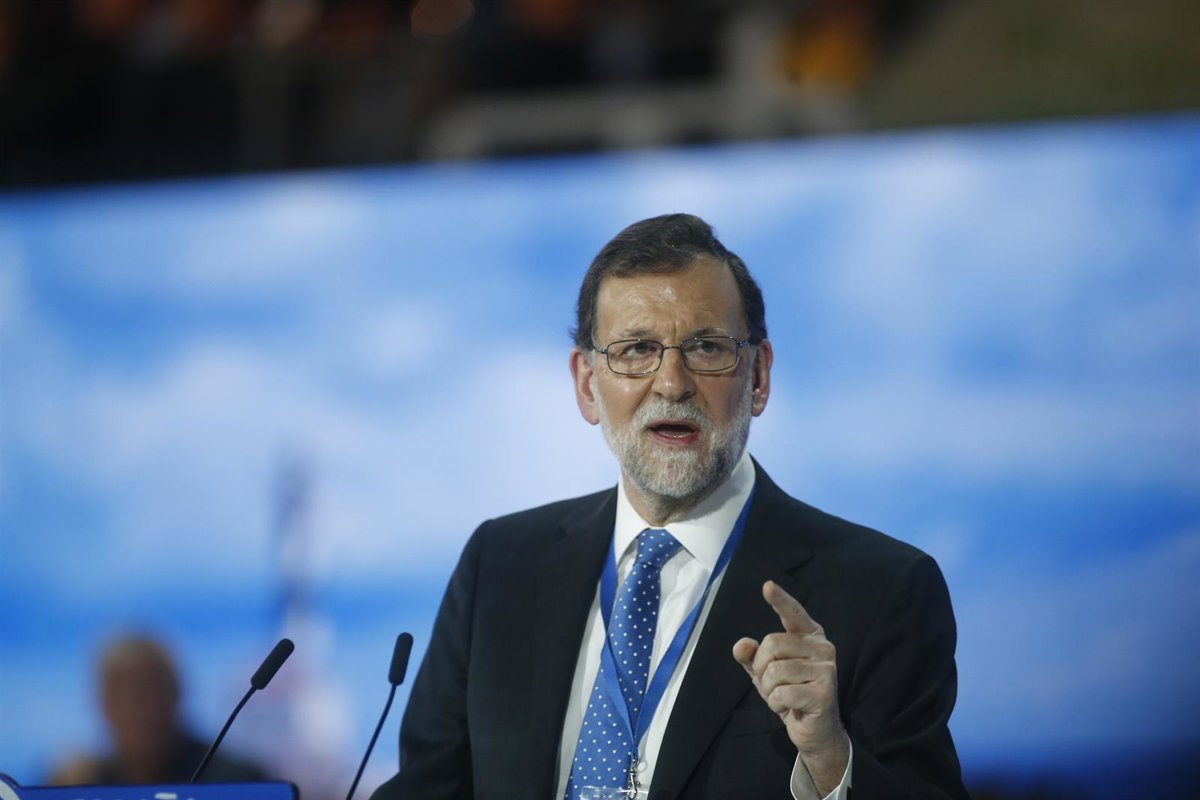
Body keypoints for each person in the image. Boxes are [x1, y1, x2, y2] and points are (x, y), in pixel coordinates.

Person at [371, 214, 967, 799]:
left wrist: (830, 758)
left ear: (758, 376)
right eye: (636, 349)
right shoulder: (500, 565)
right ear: (587, 383)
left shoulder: (881, 592)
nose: (672, 383)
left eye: (706, 347)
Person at [49, 633, 266, 786]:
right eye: (132, 697)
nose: (146, 711)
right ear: (103, 705)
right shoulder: (79, 785)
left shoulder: (236, 782)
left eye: (156, 692)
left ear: (178, 694)